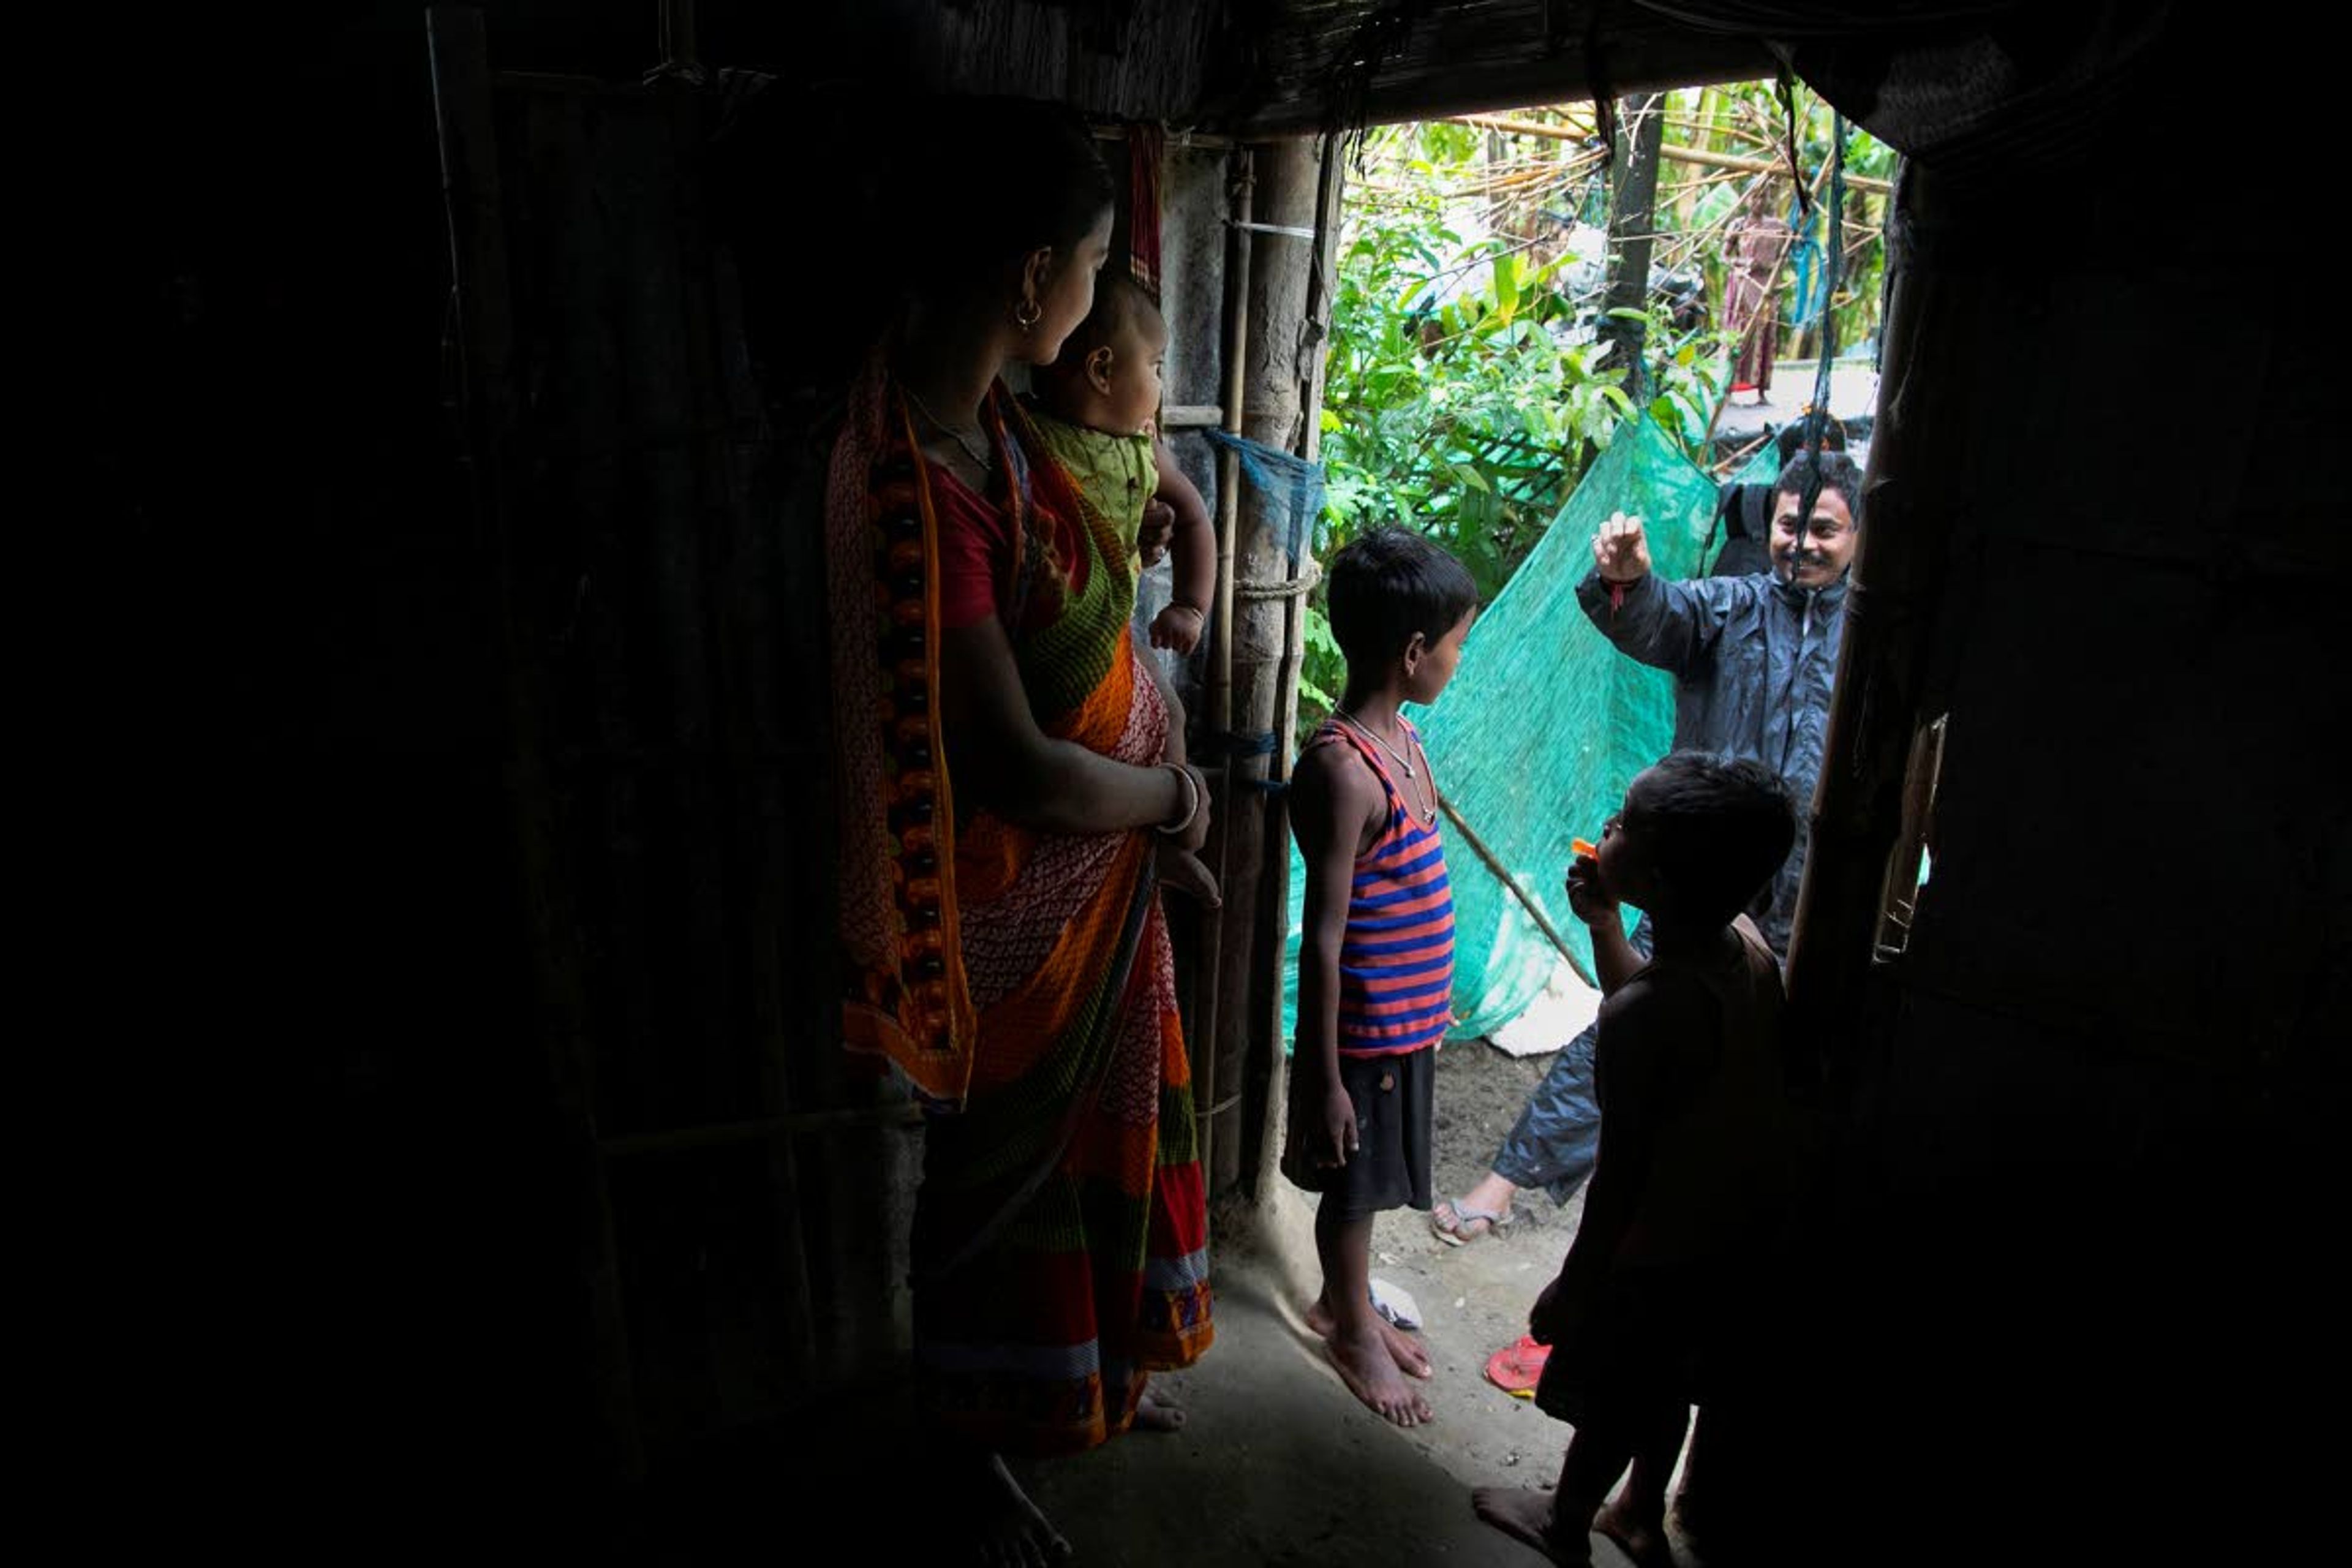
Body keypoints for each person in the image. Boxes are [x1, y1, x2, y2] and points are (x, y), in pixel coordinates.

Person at [821, 96, 1214, 1563]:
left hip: (1092, 892)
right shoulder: (910, 483)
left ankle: (1084, 1374)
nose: (1103, 296)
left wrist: (1135, 537)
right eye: (1096, 263)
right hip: (1002, 911)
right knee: (994, 1189)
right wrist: (1170, 797)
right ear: (1032, 272)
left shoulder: (983, 420)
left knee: (1094, 1146)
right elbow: (1020, 767)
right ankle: (969, 1438)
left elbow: (1119, 507)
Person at [1431, 450, 1860, 1243]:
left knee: (1783, 1052)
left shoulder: (1872, 638)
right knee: (1629, 1021)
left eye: (1825, 529)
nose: (1802, 544)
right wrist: (1627, 578)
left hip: (1812, 891)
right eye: (1790, 525)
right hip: (1700, 878)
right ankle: (1506, 1180)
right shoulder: (1730, 608)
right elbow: (1657, 615)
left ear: (1859, 537)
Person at [1471, 754, 1801, 1567]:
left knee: (1617, 1396)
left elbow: (1619, 1181)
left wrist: (1575, 1286)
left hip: (1653, 1250)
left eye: (1624, 822)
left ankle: (1566, 1520)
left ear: (1654, 870)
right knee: (1671, 1384)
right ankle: (1641, 1511)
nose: (1607, 828)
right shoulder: (1745, 947)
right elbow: (1651, 1002)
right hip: (1733, 1235)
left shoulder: (1644, 1022)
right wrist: (1604, 926)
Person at [1285, 526, 1477, 1427]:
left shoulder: (1403, 739)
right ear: (1412, 653)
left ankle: (1346, 1304)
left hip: (1407, 1026)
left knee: (1378, 1179)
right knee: (1352, 1192)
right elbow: (1320, 942)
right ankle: (1348, 1323)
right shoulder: (1343, 768)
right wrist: (1321, 1078)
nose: (1457, 660)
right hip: (1361, 1037)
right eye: (1456, 645)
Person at [1028, 272, 1216, 654]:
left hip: (1107, 633)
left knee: (1174, 716)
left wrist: (1189, 606)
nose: (1160, 384)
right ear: (1102, 371)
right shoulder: (1024, 436)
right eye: (1156, 367)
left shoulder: (1142, 450)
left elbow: (1193, 515)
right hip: (1044, 638)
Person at [1722, 187, 1792, 407]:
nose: (1759, 201)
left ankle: (1761, 391)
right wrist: (1743, 264)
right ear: (1747, 199)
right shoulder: (1738, 226)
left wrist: (1773, 266)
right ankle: (1729, 389)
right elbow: (1724, 256)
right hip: (1744, 284)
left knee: (1765, 335)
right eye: (1755, 196)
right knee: (1740, 335)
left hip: (1767, 285)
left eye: (1764, 196)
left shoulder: (1777, 227)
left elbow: (1787, 251)